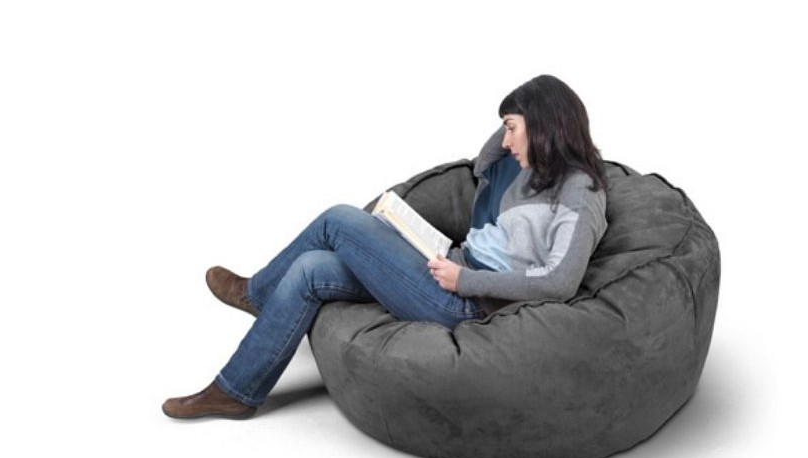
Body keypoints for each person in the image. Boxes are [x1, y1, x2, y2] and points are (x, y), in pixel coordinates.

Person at [162, 74, 609, 420]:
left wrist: (465, 280)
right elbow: (484, 161)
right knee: (312, 268)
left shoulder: (580, 193)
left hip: (466, 301)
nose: (506, 140)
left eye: (512, 128)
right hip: (451, 266)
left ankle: (256, 295)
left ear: (545, 126)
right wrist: (521, 114)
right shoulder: (533, 170)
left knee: (339, 219)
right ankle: (237, 392)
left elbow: (560, 280)